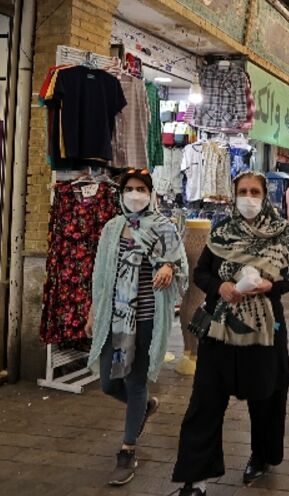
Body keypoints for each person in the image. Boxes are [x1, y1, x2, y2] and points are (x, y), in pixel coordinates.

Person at [173, 172, 289, 496]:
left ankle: (261, 456)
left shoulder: (283, 235)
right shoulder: (222, 233)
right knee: (205, 402)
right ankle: (196, 477)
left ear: (265, 195)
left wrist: (269, 286)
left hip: (265, 332)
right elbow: (201, 272)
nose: (249, 197)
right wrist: (222, 286)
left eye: (254, 191)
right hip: (220, 331)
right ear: (234, 195)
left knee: (266, 399)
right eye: (243, 191)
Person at [86, 170, 189, 487]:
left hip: (146, 320)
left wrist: (169, 266)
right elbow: (101, 275)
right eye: (129, 189)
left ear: (151, 192)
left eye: (141, 189)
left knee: (134, 379)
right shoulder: (112, 228)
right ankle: (143, 407)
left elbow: (181, 266)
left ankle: (127, 450)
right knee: (108, 382)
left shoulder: (164, 228)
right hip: (114, 318)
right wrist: (94, 311)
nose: (134, 194)